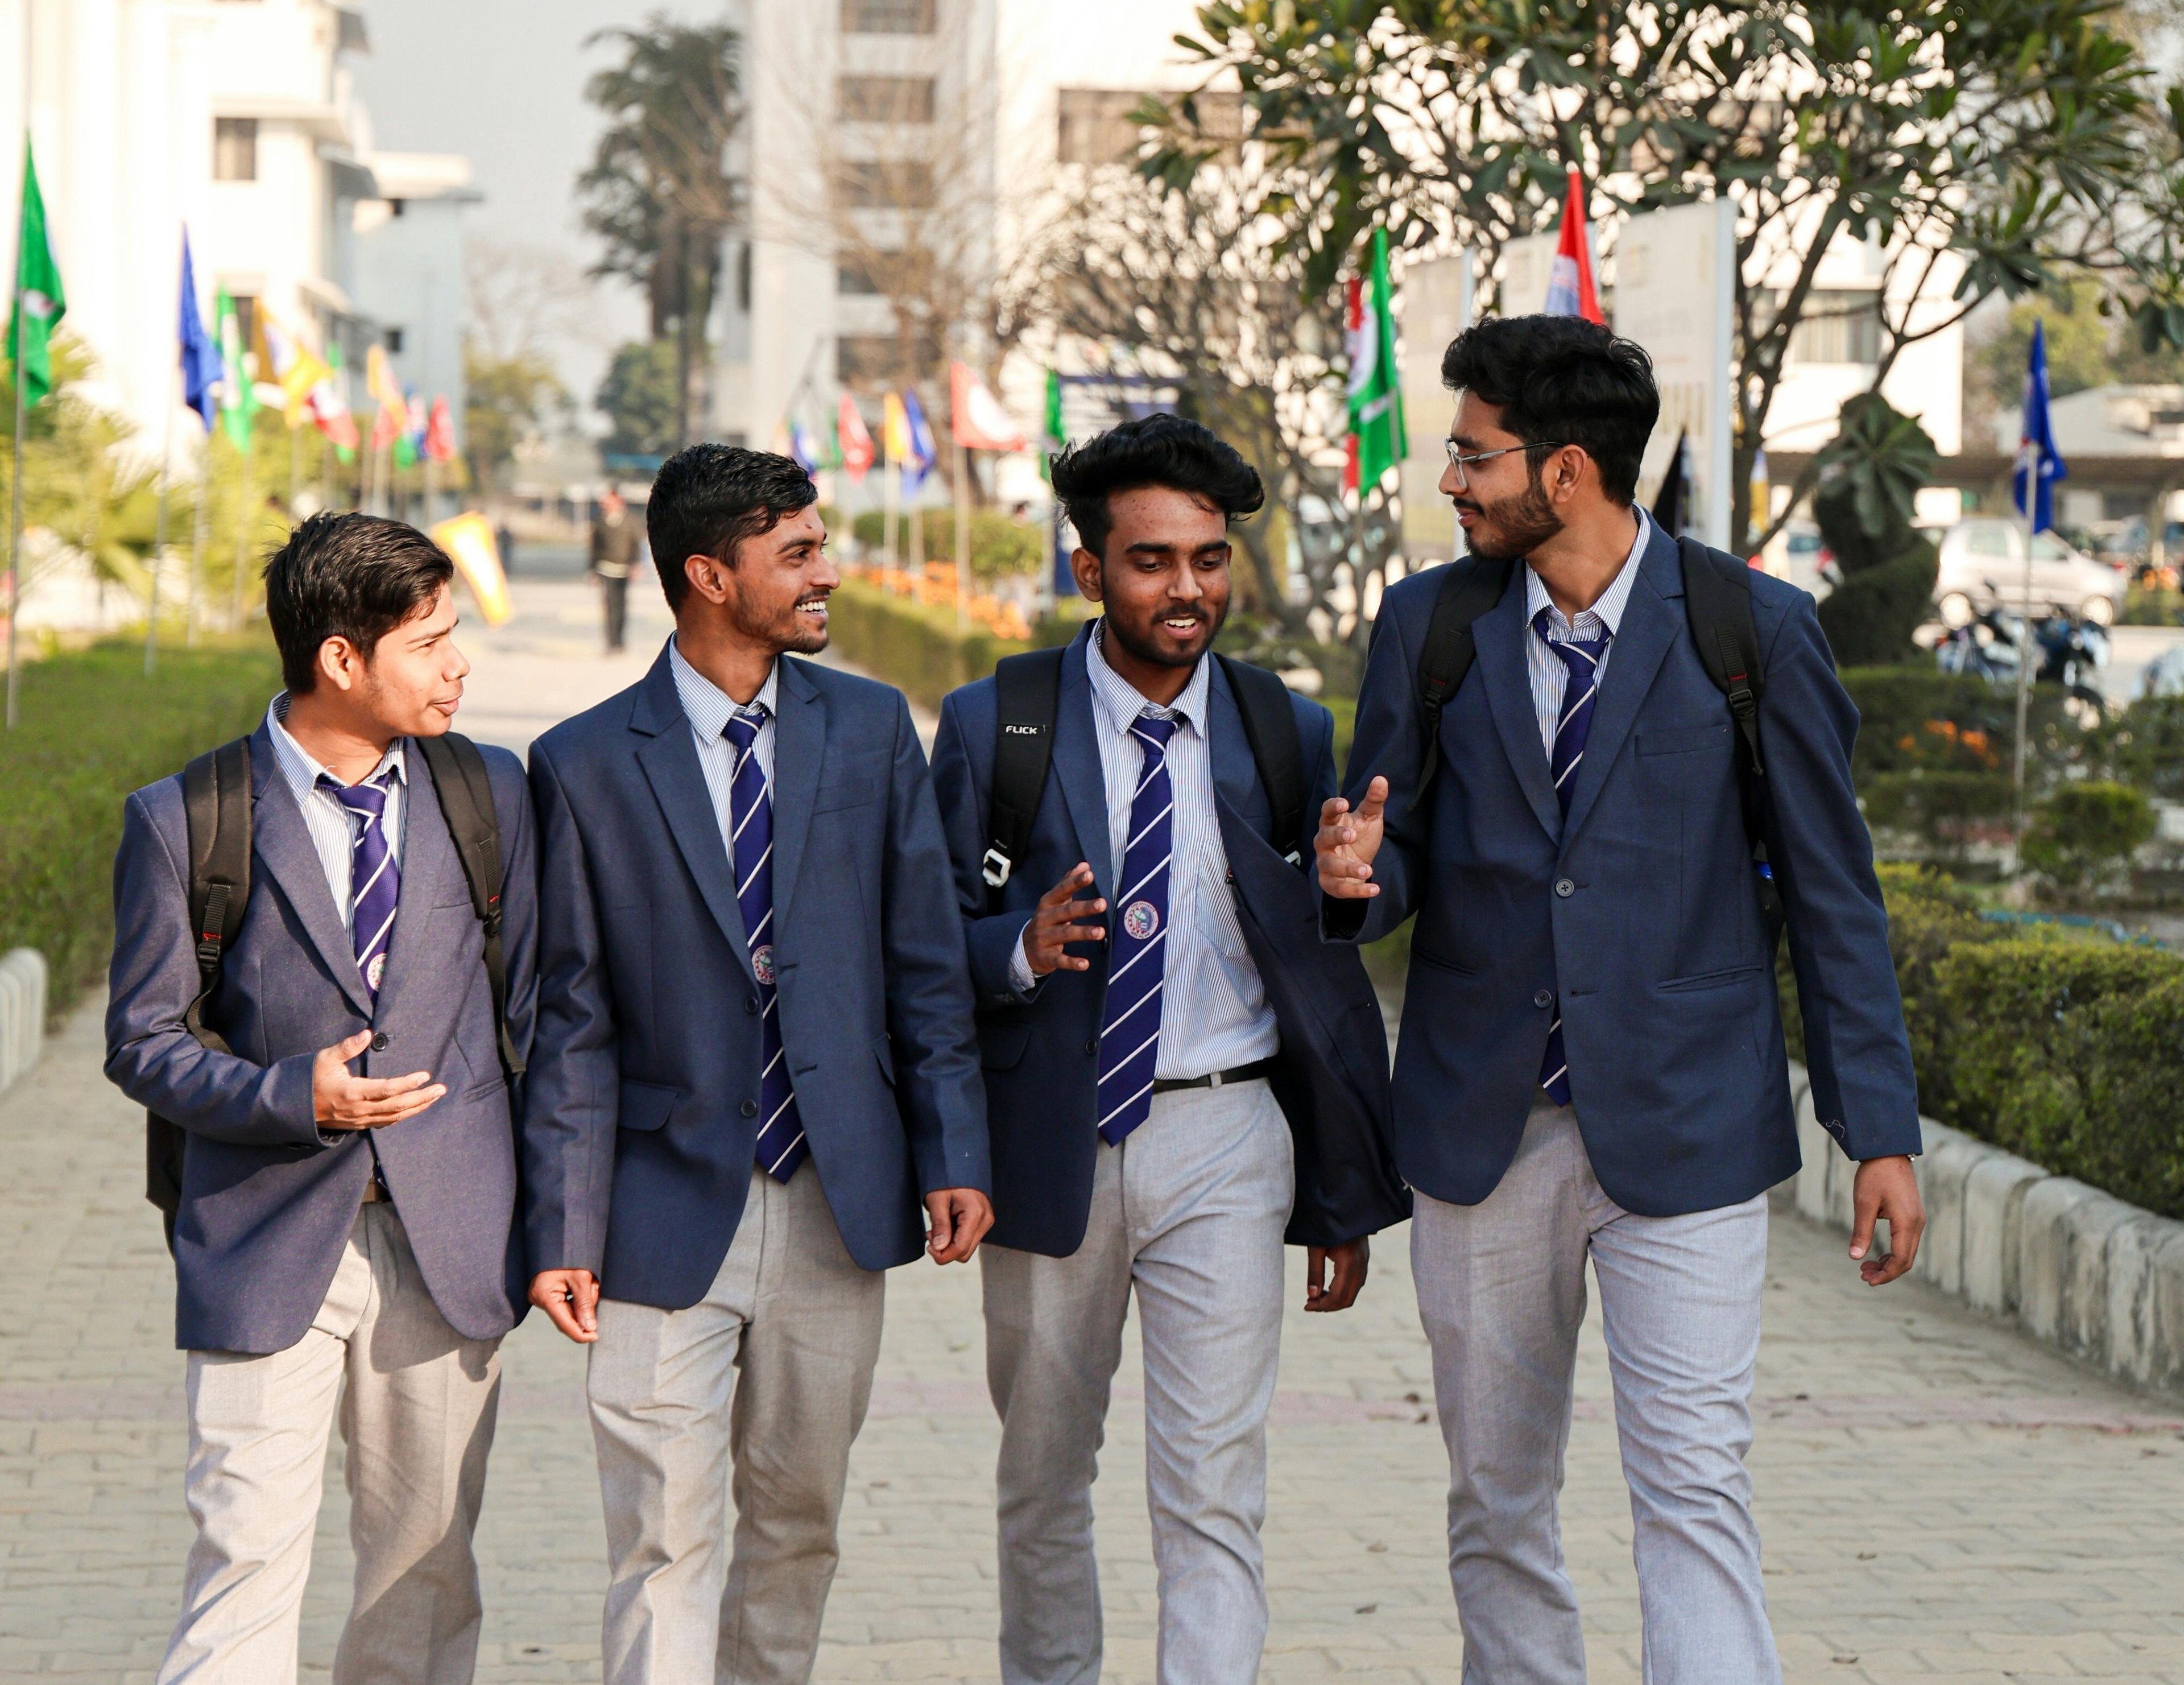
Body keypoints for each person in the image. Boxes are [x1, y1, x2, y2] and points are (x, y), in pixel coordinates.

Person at [1316, 315, 1927, 1683]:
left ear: (1568, 470)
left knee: (1694, 1488)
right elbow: (1388, 844)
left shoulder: (1747, 630)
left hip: (1689, 1127)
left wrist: (1874, 1130)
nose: (1450, 483)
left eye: (1473, 457)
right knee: (1494, 1497)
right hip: (1481, 1132)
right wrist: (1356, 877)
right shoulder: (1430, 626)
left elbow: (1832, 896)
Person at [930, 415, 1408, 1685]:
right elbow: (926, 945)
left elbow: (1320, 949)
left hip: (1226, 1134)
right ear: (1089, 571)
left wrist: (1352, 890)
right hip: (1052, 1141)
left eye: (1209, 557)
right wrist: (1018, 950)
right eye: (1151, 560)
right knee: (1041, 1474)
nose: (1186, 587)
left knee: (1213, 1484)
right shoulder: (998, 724)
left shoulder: (1283, 727)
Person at [523, 444, 994, 1685]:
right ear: (708, 575)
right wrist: (562, 1222)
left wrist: (952, 1150)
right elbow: (570, 1016)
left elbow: (926, 959)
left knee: (798, 1524)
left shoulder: (873, 723)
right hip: (656, 1206)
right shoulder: (579, 762)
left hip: (838, 1199)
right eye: (795, 554)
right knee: (662, 1537)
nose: (826, 572)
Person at [105, 513, 537, 1684]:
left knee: (428, 1568)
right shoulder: (186, 817)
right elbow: (141, 1040)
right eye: (431, 641)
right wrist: (297, 1094)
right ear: (342, 659)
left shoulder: (489, 793)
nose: (460, 665)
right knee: (244, 1555)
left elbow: (551, 1017)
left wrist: (564, 1225)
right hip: (262, 1232)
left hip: (452, 1244)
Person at [591, 487, 641, 652]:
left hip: (625, 569)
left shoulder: (630, 520)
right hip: (606, 568)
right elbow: (594, 548)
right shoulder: (600, 522)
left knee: (622, 606)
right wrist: (592, 570)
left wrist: (636, 565)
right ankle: (611, 643)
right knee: (610, 605)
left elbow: (636, 545)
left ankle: (620, 641)